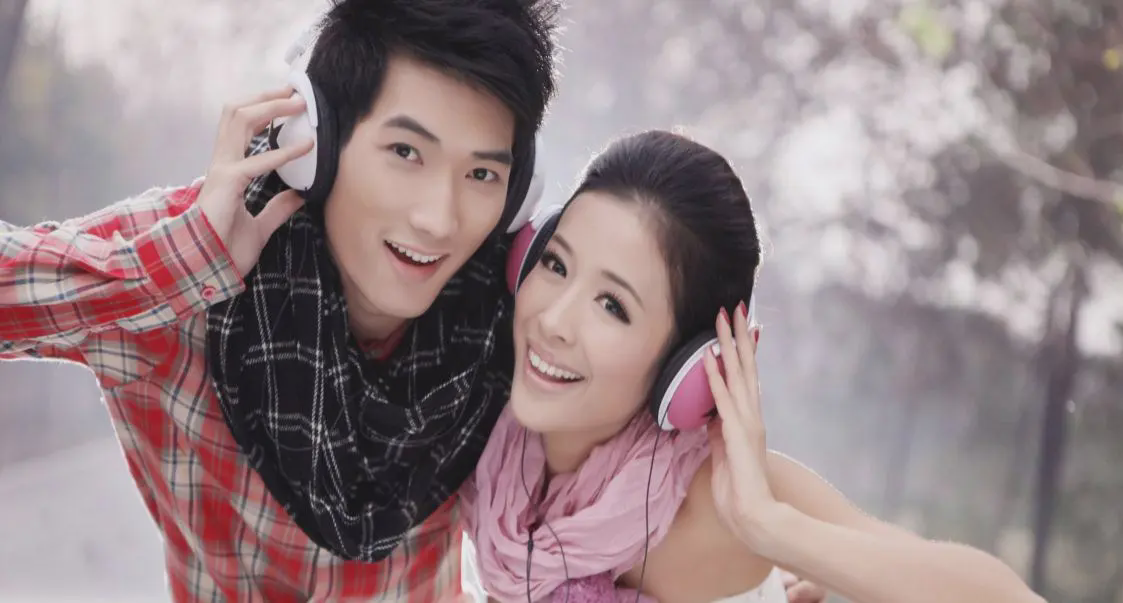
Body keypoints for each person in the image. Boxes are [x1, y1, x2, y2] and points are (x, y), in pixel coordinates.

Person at [0, 0, 558, 600]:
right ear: (314, 143)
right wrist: (182, 267)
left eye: (481, 175)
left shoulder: (506, 319)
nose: (440, 220)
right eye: (405, 152)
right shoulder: (192, 251)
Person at [461, 130, 1047, 603]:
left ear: (688, 369)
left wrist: (769, 526)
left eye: (612, 305)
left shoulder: (716, 496)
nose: (553, 320)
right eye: (556, 265)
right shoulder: (478, 434)